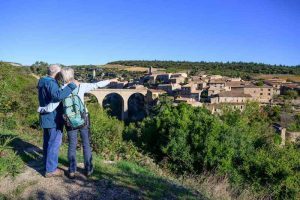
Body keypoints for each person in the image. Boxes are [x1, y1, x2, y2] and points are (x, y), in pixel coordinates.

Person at [38, 67, 117, 178]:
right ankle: (88, 169)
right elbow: (97, 85)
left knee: (72, 145)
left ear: (62, 76)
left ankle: (71, 170)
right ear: (73, 75)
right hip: (83, 118)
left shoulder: (61, 89)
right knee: (86, 144)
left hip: (70, 121)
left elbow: (54, 104)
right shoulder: (81, 86)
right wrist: (110, 80)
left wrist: (42, 109)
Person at [37, 64, 78, 178]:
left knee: (47, 143)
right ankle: (51, 170)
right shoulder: (51, 82)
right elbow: (57, 96)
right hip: (53, 118)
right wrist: (71, 86)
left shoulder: (43, 81)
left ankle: (46, 164)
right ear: (56, 72)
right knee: (54, 144)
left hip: (46, 117)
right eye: (60, 73)